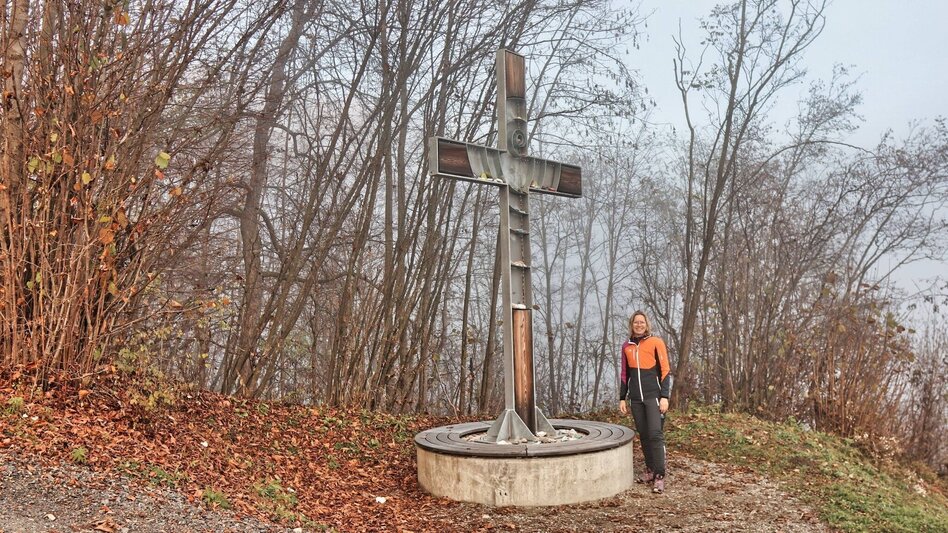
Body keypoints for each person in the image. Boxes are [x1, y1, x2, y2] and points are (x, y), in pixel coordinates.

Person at [619, 310, 673, 493]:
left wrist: (664, 396)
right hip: (636, 399)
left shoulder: (656, 342)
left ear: (647, 324)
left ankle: (659, 475)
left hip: (654, 397)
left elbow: (665, 370)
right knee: (643, 434)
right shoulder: (626, 347)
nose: (639, 325)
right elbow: (625, 374)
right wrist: (622, 398)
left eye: (642, 322)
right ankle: (650, 469)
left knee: (655, 434)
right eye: (636, 322)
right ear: (632, 325)